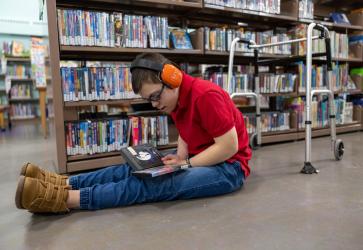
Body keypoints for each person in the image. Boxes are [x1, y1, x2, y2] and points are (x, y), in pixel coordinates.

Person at [15, 53, 252, 214]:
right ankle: (65, 182)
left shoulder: (205, 95)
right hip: (200, 158)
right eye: (149, 101)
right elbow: (187, 131)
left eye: (156, 97)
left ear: (173, 79)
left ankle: (64, 200)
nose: (156, 105)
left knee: (154, 186)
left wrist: (186, 164)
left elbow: (228, 147)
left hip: (228, 168)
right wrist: (181, 157)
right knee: (136, 168)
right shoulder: (177, 99)